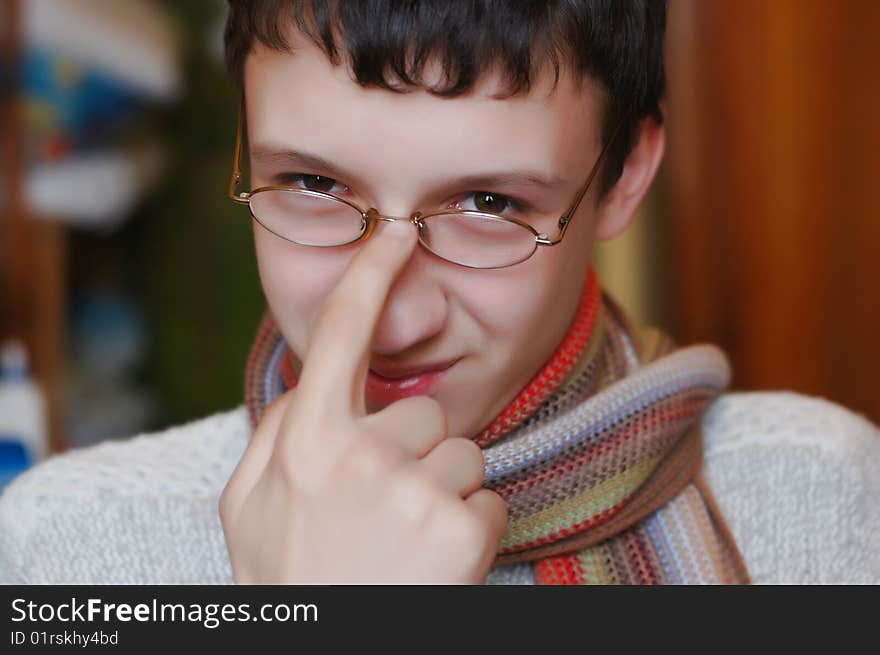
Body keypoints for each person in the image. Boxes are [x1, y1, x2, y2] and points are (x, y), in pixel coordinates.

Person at [1, 0, 878, 585]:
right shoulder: (68, 547)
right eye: (312, 181)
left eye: (489, 204)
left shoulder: (826, 498)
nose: (395, 318)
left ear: (623, 177)